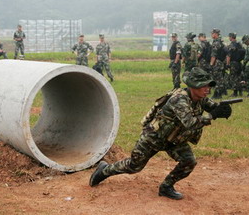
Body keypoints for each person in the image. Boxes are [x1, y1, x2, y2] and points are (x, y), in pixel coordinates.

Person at [89, 68, 233, 200]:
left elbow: (213, 106)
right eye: (204, 86)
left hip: (174, 139)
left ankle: (166, 187)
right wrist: (213, 115)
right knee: (134, 166)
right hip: (154, 137)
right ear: (193, 86)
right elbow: (190, 122)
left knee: (189, 161)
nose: (207, 89)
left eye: (209, 86)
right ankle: (104, 170)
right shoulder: (179, 99)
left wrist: (222, 109)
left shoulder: (200, 99)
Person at [226, 32, 245, 97]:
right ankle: (240, 92)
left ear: (231, 37)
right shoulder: (239, 44)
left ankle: (235, 92)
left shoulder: (231, 45)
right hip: (239, 63)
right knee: (239, 77)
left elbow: (229, 55)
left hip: (233, 63)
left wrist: (227, 64)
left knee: (233, 77)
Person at [210, 28, 227, 98]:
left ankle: (217, 94)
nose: (211, 35)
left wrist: (211, 64)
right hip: (220, 62)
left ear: (215, 34)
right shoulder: (220, 41)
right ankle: (218, 93)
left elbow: (214, 55)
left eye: (212, 33)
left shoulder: (216, 43)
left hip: (217, 62)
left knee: (217, 78)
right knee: (219, 78)